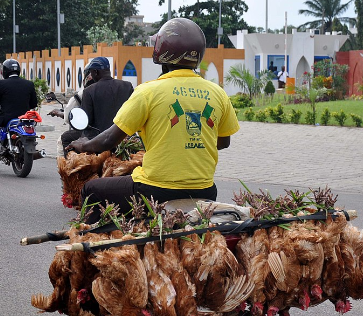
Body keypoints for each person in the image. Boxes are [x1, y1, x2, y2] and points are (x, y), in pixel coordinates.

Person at [67, 18, 240, 224]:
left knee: (91, 189)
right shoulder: (218, 94)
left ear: (162, 52)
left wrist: (82, 145)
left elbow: (108, 141)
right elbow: (223, 142)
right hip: (205, 190)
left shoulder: (148, 91)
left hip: (154, 189)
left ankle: (97, 245)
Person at [0, 59, 38, 160]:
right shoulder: (29, 84)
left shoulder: (1, 84)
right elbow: (33, 103)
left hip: (7, 118)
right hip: (24, 118)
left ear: (4, 71)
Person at [79, 57, 134, 140]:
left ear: (96, 72)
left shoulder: (88, 91)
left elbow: (86, 121)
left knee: (66, 138)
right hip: (124, 137)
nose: (91, 75)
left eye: (91, 72)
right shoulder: (127, 86)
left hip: (98, 140)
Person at [48, 71, 96, 157]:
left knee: (63, 139)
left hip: (91, 132)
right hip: (112, 131)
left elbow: (67, 117)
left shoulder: (83, 93)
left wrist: (59, 113)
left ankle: (67, 167)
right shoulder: (115, 89)